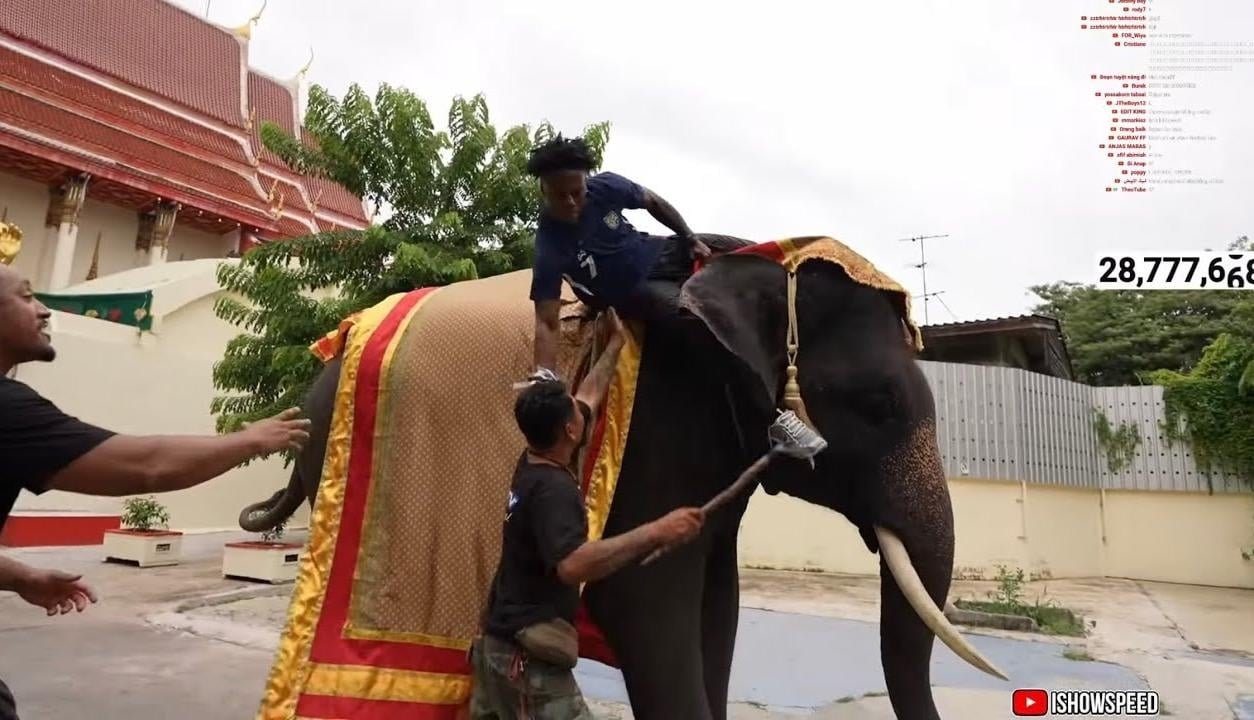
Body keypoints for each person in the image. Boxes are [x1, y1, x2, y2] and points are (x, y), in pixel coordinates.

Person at [0, 264, 311, 720]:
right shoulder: (9, 409)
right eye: (27, 297)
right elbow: (145, 467)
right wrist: (249, 440)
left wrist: (18, 576)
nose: (44, 310)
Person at [470, 309, 705, 719]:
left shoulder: (532, 458)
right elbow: (573, 565)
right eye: (576, 414)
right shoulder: (554, 491)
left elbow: (589, 398)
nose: (584, 411)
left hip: (497, 648)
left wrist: (613, 346)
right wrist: (655, 532)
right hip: (526, 666)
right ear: (570, 432)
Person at [526, 134, 714, 375]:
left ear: (586, 181)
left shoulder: (605, 187)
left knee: (736, 252)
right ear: (545, 190)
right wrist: (544, 378)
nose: (571, 202)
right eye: (560, 196)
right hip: (630, 291)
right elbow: (547, 321)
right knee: (696, 315)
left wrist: (691, 237)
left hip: (657, 251)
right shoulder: (549, 245)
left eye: (577, 192)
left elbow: (653, 202)